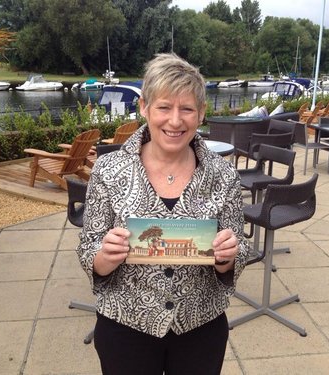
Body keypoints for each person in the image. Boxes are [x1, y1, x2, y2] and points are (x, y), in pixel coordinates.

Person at [76, 53, 249, 375]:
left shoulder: (223, 175)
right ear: (144, 107)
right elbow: (88, 246)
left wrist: (228, 255)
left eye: (187, 109)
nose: (175, 120)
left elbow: (239, 246)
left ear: (201, 113)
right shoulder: (109, 170)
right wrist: (104, 257)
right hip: (125, 325)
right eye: (164, 107)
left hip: (200, 326)